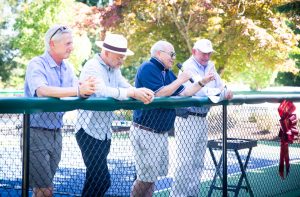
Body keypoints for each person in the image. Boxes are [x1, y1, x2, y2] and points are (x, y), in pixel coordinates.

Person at [130, 40, 215, 197]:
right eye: (171, 54)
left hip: (160, 132)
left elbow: (185, 93)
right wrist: (181, 79)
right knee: (144, 178)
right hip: (146, 131)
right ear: (159, 54)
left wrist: (203, 82)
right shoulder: (148, 68)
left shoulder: (167, 72)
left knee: (151, 178)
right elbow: (159, 93)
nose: (174, 58)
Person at [75, 33, 154, 197]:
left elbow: (124, 85)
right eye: (119, 57)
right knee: (102, 180)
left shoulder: (114, 69)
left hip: (104, 132)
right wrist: (132, 92)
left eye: (123, 57)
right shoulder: (92, 66)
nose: (122, 60)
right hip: (88, 131)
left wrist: (140, 91)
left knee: (94, 180)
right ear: (106, 53)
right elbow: (102, 91)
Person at [24, 24, 96, 197]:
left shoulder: (68, 67)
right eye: (68, 43)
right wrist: (79, 90)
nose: (72, 48)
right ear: (52, 44)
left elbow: (76, 89)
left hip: (57, 132)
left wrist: (86, 88)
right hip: (35, 132)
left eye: (71, 43)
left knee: (44, 188)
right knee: (45, 189)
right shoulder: (36, 64)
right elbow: (42, 91)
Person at [170, 39, 233, 197]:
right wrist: (220, 93)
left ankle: (192, 195)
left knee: (198, 163)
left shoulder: (210, 65)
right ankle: (178, 196)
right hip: (187, 118)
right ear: (194, 51)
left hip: (202, 117)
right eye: (203, 53)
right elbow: (200, 92)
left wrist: (223, 91)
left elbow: (219, 87)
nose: (206, 56)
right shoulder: (188, 66)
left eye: (209, 53)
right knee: (185, 162)